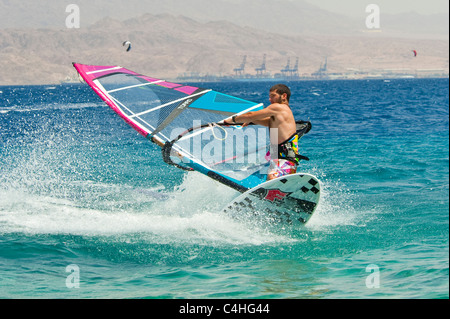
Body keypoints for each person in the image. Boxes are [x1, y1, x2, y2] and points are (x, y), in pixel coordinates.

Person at [224, 84, 300, 180]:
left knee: (271, 177)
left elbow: (250, 115)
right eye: (269, 96)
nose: (269, 99)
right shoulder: (283, 112)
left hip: (285, 158)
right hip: (276, 155)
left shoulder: (279, 107)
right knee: (263, 174)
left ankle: (276, 192)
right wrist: (251, 121)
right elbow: (267, 122)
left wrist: (231, 120)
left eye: (273, 96)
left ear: (284, 96)